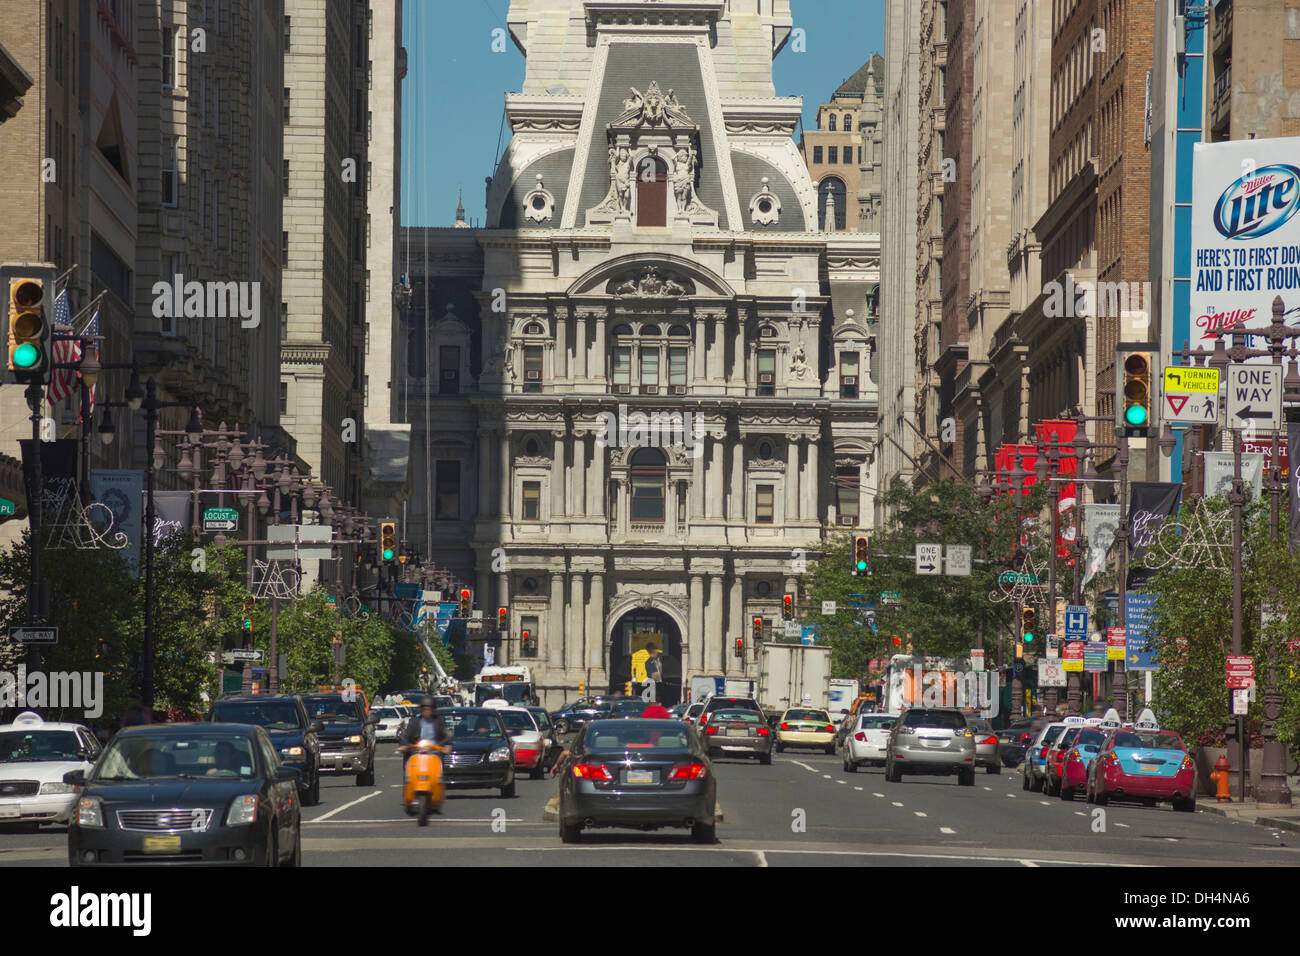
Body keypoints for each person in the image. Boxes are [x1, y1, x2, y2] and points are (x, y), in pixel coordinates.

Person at [398, 697, 450, 761]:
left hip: (435, 756)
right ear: (421, 710)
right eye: (424, 709)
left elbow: (447, 736)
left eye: (429, 709)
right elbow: (406, 736)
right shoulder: (414, 722)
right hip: (417, 756)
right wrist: (403, 745)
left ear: (433, 710)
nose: (427, 711)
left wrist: (447, 746)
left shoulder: (439, 721)